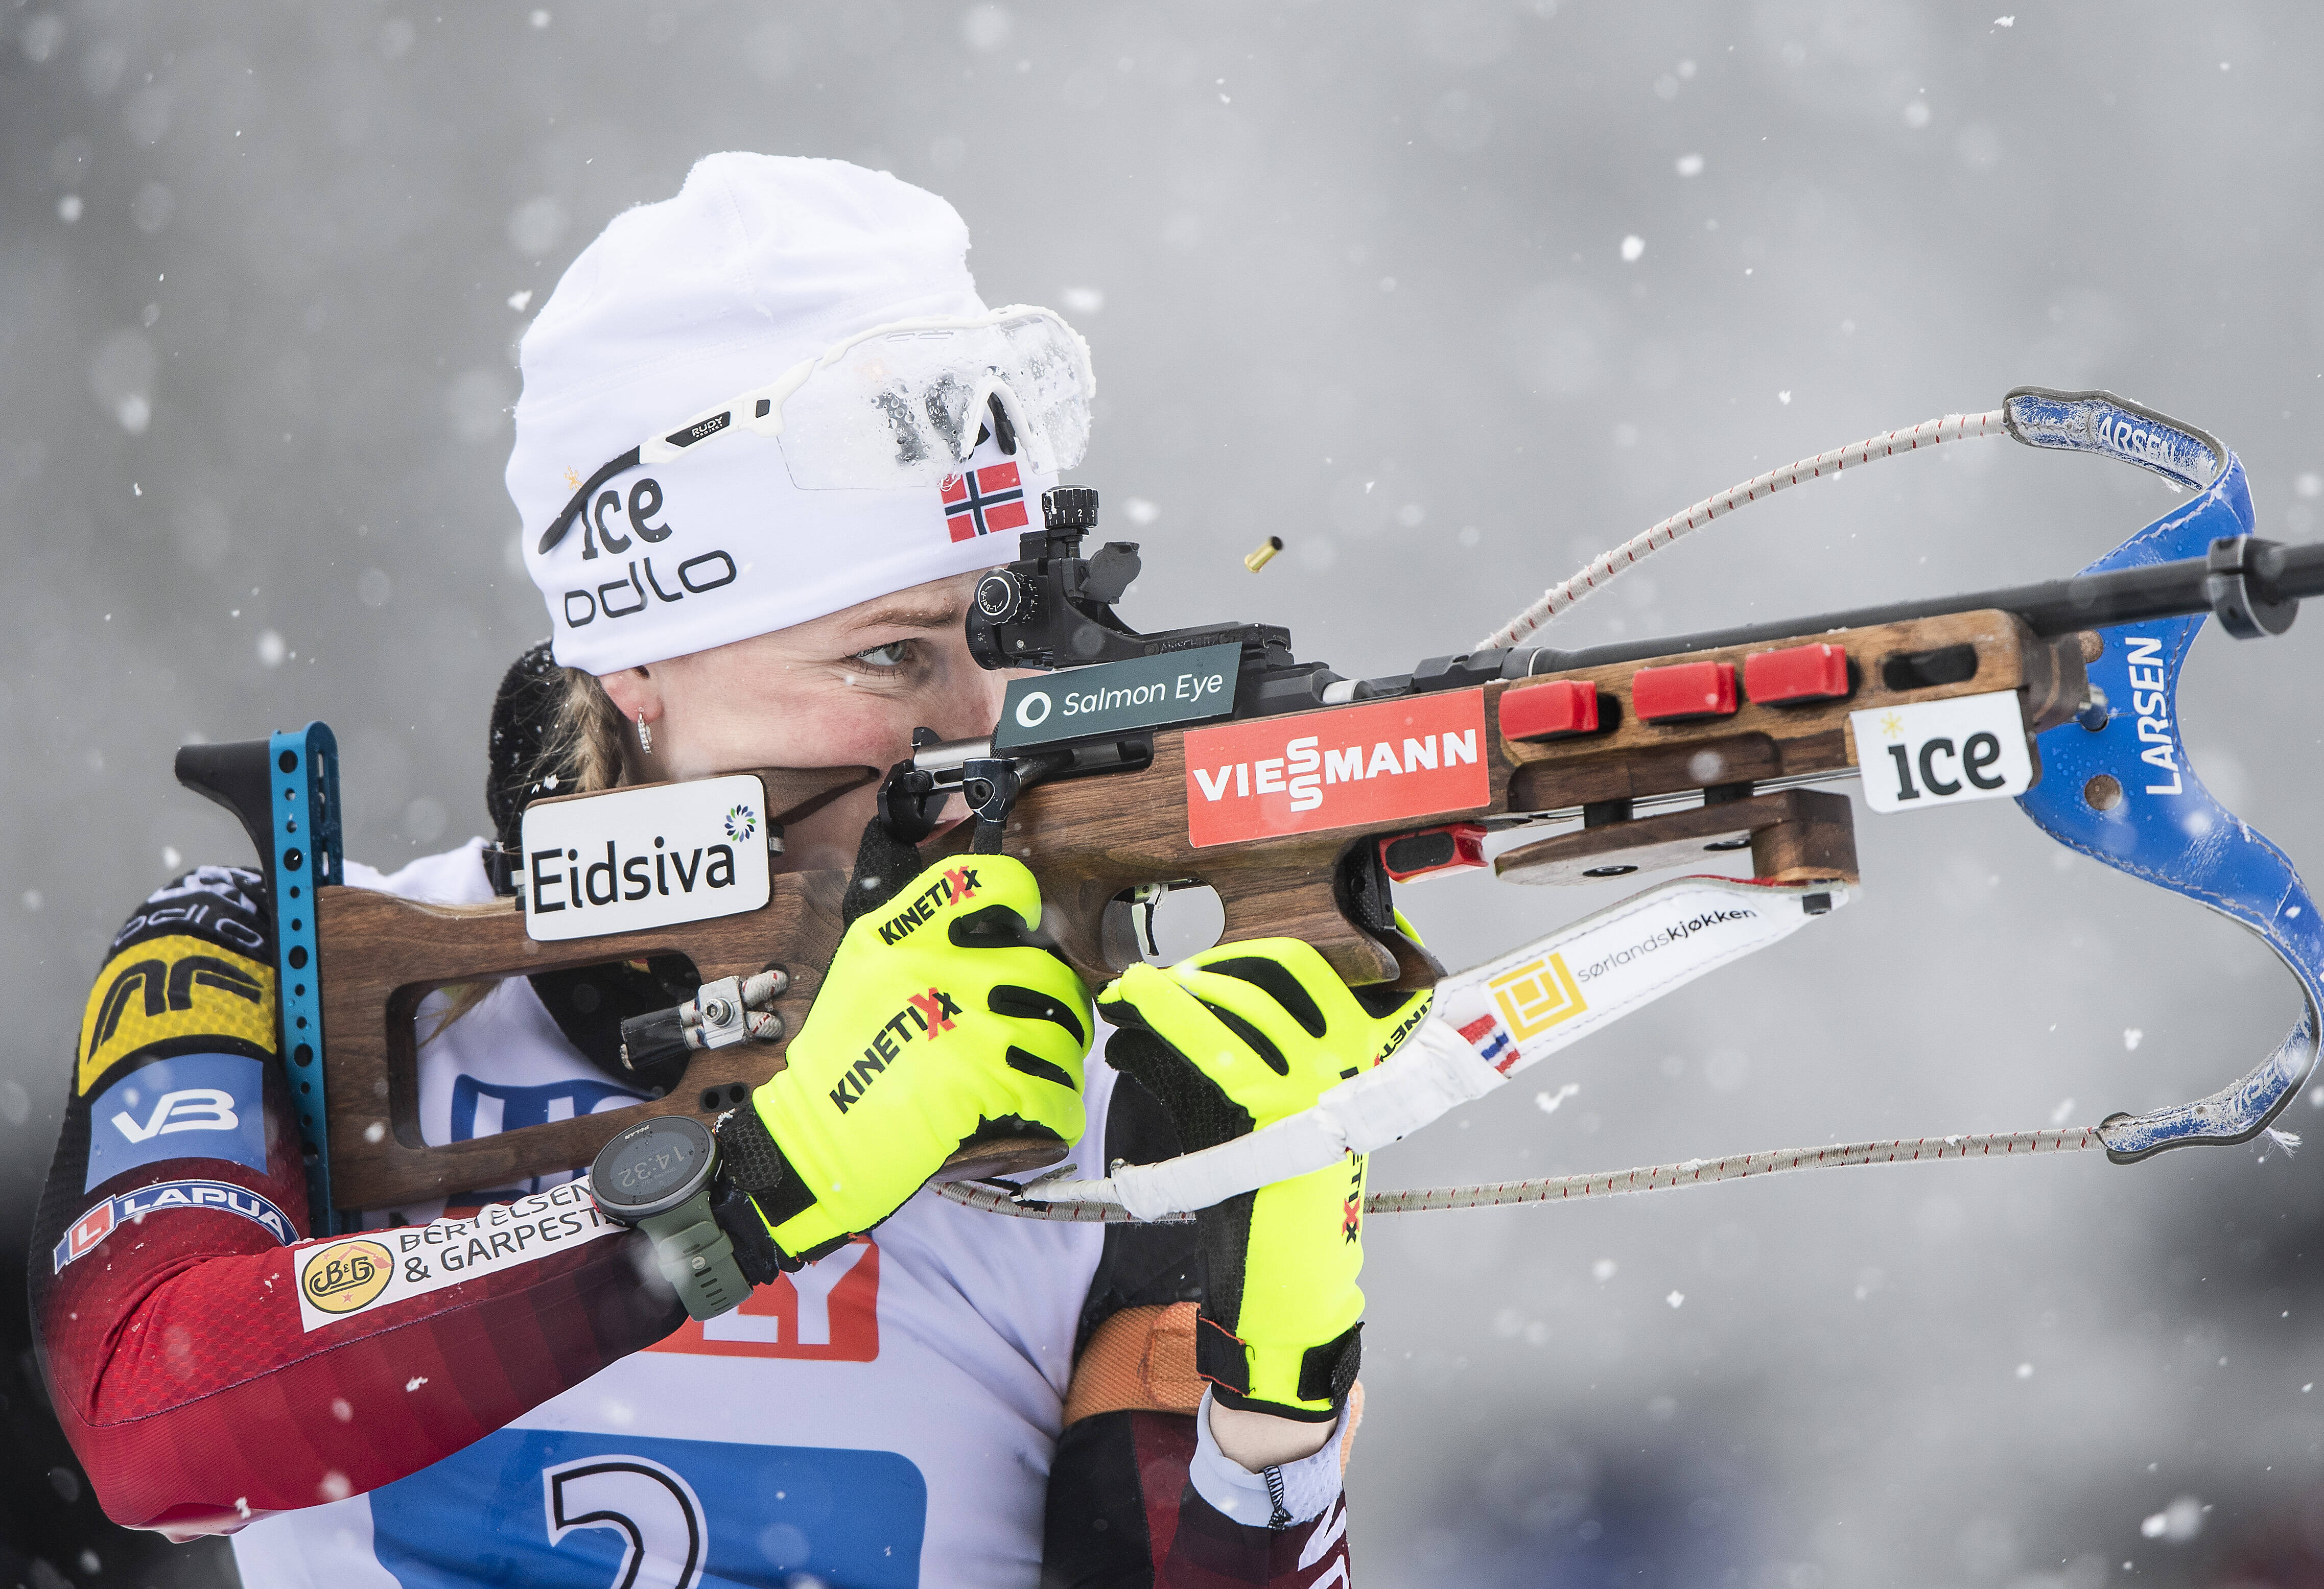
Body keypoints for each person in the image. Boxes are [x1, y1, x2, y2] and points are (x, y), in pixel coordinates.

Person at [31, 153, 1424, 1588]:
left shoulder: (1094, 1074)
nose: (978, 721)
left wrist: (1273, 1427)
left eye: (1004, 646)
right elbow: (152, 1412)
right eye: (890, 654)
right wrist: (753, 1189)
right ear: (630, 656)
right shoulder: (286, 962)